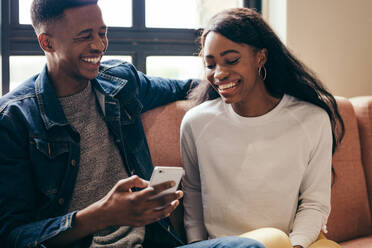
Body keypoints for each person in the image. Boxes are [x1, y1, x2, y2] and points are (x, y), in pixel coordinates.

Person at [0, 1, 265, 248]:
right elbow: (12, 235)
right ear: (47, 42)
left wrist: (259, 93)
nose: (99, 45)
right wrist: (101, 215)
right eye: (84, 36)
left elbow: (190, 88)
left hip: (152, 241)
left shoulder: (120, 83)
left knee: (249, 246)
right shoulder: (15, 118)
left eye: (102, 32)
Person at [180, 7, 345, 248]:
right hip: (230, 245)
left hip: (291, 243)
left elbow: (314, 203)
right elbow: (192, 197)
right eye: (210, 64)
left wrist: (297, 245)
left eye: (231, 60)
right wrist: (198, 245)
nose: (219, 74)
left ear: (261, 57)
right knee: (274, 239)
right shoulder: (196, 123)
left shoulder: (311, 119)